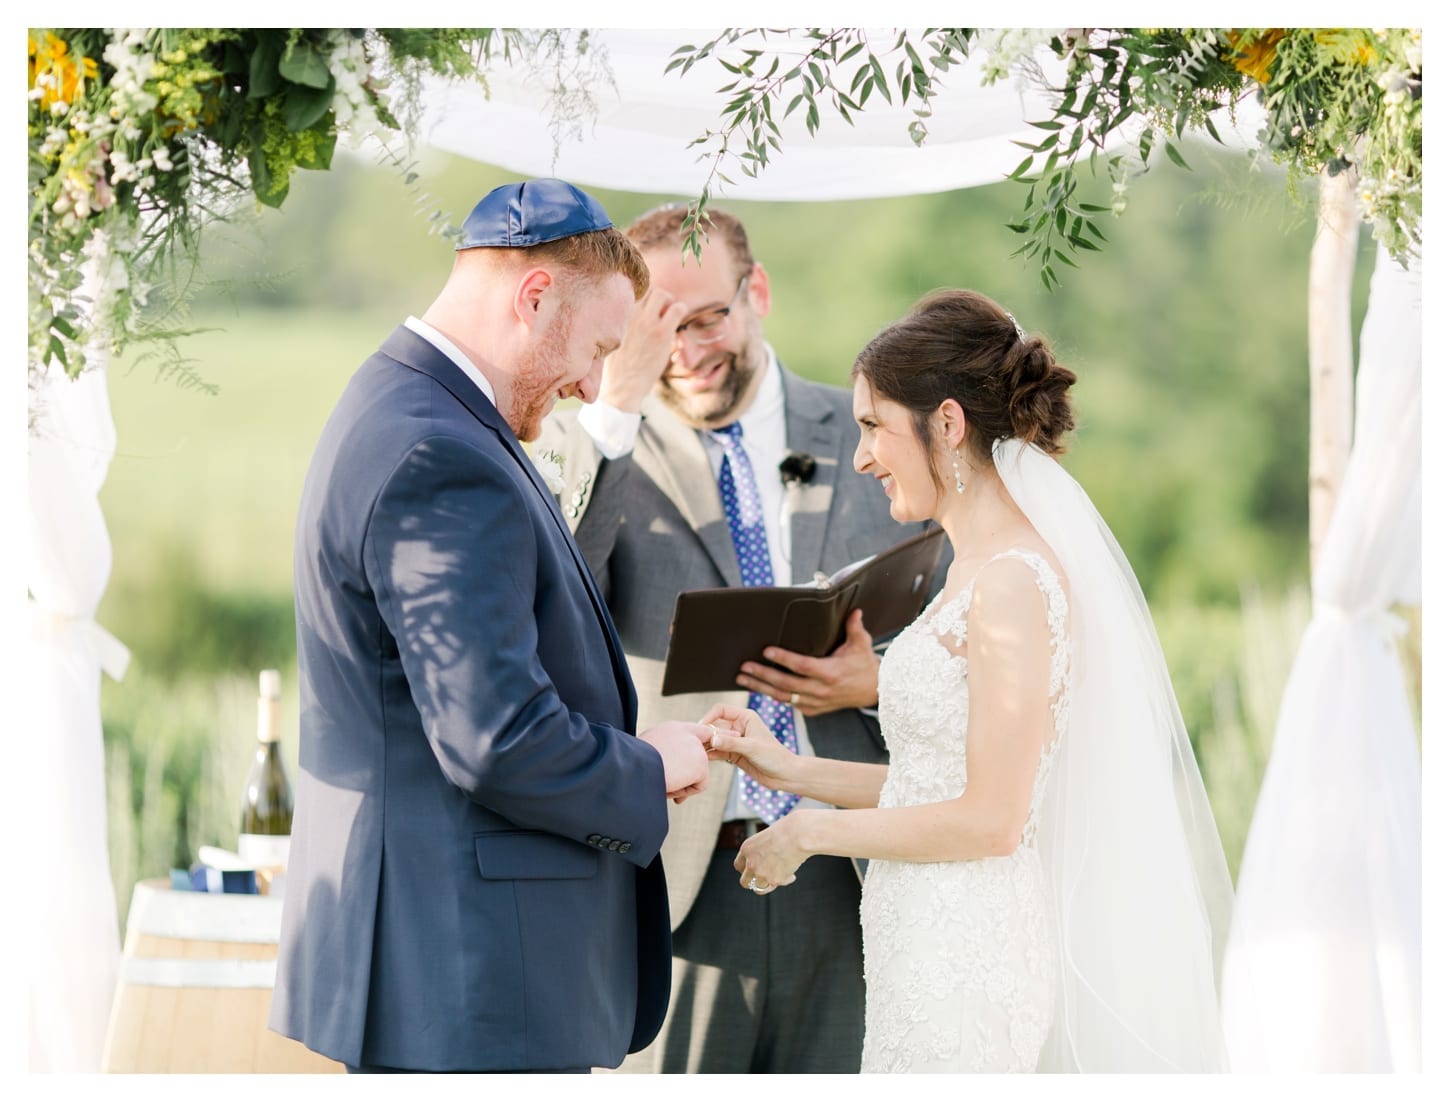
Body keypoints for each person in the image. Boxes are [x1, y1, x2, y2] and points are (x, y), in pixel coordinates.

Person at [706, 288, 1236, 1072]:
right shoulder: (971, 571)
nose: (860, 458)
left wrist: (809, 831)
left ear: (946, 424)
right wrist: (789, 770)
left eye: (874, 427)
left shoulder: (1012, 584)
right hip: (921, 936)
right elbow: (936, 782)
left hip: (965, 955)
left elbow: (992, 818)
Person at [269, 179, 714, 1074]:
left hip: (457, 975)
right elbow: (494, 733)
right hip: (469, 979)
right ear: (534, 295)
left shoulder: (415, 410)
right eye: (595, 348)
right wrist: (649, 766)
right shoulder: (440, 453)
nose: (594, 381)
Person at [536, 205, 943, 1073]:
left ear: (755, 291)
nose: (686, 348)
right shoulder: (594, 445)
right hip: (683, 881)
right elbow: (551, 599)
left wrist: (877, 681)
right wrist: (619, 407)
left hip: (856, 871)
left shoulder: (869, 432)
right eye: (658, 326)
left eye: (708, 316)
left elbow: (965, 626)